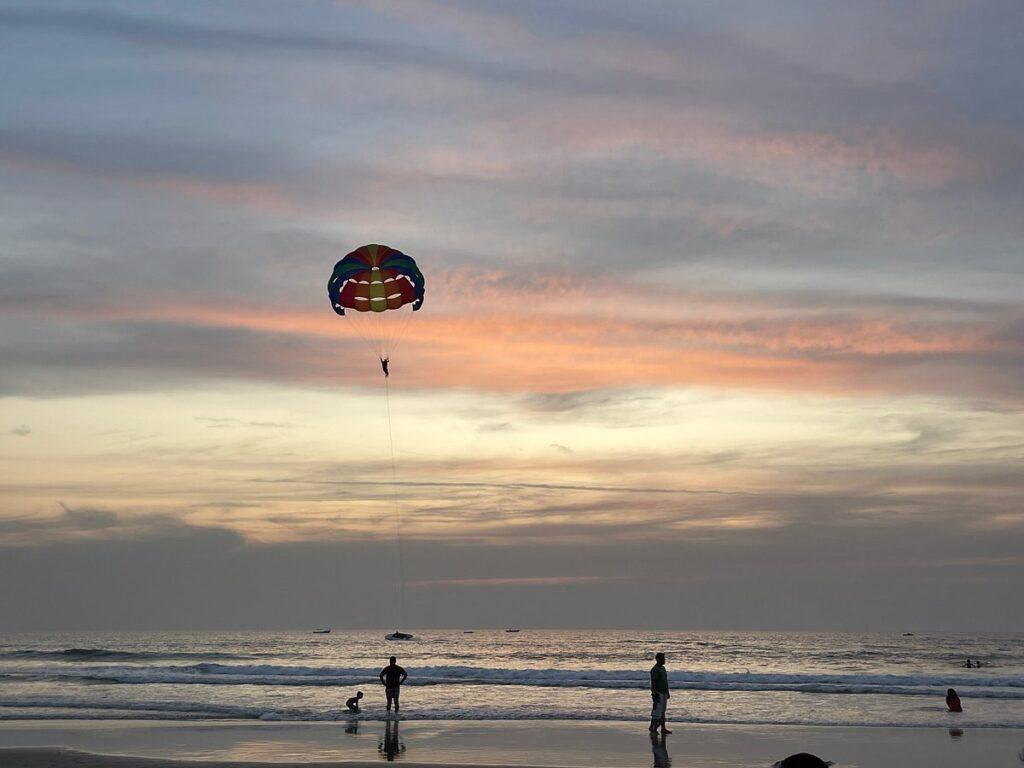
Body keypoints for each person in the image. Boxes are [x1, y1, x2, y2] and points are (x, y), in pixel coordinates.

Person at [649, 652, 672, 735]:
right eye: (663, 658)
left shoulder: (663, 668)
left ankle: (662, 728)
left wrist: (668, 692)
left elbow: (665, 681)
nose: (664, 660)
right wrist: (654, 693)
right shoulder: (655, 669)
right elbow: (653, 682)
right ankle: (653, 728)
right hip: (658, 693)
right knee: (657, 713)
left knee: (662, 711)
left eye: (664, 658)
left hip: (664, 692)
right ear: (658, 659)